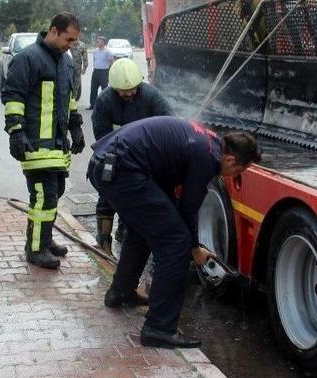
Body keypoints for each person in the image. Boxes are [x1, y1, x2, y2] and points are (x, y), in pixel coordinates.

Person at [88, 117, 260, 348]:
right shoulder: (206, 158)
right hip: (121, 170)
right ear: (230, 159)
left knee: (145, 231)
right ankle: (159, 328)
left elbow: (174, 200)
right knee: (175, 243)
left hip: (111, 164)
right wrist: (194, 248)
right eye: (238, 171)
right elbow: (189, 210)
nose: (233, 177)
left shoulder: (208, 142)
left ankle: (120, 293)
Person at [1, 12, 85, 269]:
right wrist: (16, 131)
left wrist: (76, 127)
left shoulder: (66, 61)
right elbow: (13, 96)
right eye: (68, 39)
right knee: (43, 196)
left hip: (58, 146)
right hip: (36, 144)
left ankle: (44, 240)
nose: (71, 45)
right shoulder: (27, 59)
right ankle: (36, 248)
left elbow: (69, 99)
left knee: (55, 193)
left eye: (74, 41)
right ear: (53, 31)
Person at [91, 58, 172, 254]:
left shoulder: (151, 96)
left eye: (132, 89)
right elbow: (102, 137)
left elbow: (168, 121)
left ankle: (125, 230)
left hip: (144, 157)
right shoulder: (105, 101)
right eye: (123, 91)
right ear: (114, 87)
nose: (129, 93)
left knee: (136, 196)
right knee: (107, 194)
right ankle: (104, 241)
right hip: (112, 155)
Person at [88, 36, 114, 109]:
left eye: (98, 41)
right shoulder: (95, 51)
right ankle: (92, 104)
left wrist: (109, 71)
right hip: (96, 71)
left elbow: (112, 61)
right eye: (97, 41)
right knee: (93, 89)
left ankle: (106, 104)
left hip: (104, 72)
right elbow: (94, 60)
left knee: (104, 89)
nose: (97, 43)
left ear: (103, 42)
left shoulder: (108, 51)